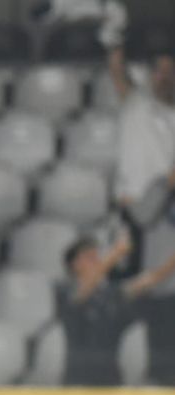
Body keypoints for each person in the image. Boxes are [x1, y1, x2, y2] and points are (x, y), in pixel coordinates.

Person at [60, 234, 175, 386]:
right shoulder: (64, 291)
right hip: (77, 384)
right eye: (90, 257)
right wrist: (116, 253)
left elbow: (151, 279)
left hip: (110, 383)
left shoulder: (111, 294)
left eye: (97, 256)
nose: (97, 261)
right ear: (74, 264)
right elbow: (83, 291)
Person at [106, 20, 175, 252]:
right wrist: (114, 39)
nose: (165, 77)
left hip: (164, 210)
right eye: (160, 71)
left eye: (171, 72)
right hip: (130, 206)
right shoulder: (135, 102)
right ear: (152, 75)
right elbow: (117, 70)